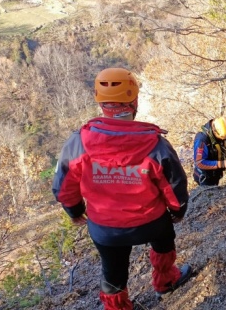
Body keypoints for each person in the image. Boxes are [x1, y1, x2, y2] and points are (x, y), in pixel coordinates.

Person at [52, 68, 191, 310]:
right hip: (152, 223)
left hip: (106, 229)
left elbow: (64, 185)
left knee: (112, 271)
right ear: (134, 101)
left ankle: (117, 307)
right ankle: (166, 281)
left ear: (101, 103)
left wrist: (74, 211)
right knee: (164, 243)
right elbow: (174, 184)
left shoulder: (79, 143)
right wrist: (178, 211)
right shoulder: (155, 144)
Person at [193, 116, 226, 186]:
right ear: (215, 132)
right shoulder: (202, 140)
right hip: (205, 177)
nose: (225, 138)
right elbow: (199, 162)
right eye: (223, 137)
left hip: (215, 174)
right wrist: (222, 164)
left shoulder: (222, 130)